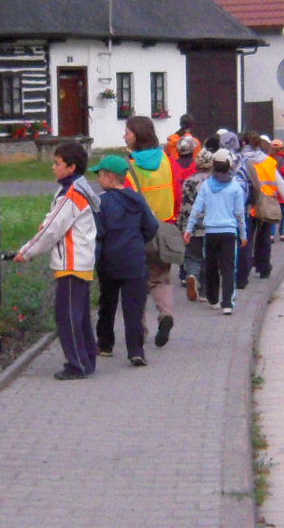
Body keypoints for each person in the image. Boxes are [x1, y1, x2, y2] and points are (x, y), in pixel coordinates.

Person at [13, 140, 99, 379]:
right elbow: (54, 222)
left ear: (71, 167)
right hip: (81, 260)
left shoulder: (71, 195)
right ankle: (87, 358)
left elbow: (52, 229)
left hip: (71, 262)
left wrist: (26, 252)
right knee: (80, 316)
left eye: (57, 163)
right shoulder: (78, 188)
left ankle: (77, 365)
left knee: (67, 317)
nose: (53, 167)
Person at [90, 154, 158, 366]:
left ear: (110, 178)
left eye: (100, 175)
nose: (98, 179)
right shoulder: (137, 199)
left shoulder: (101, 202)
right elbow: (152, 226)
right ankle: (136, 351)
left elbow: (97, 233)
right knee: (134, 308)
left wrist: (95, 259)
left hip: (109, 261)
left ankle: (105, 344)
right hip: (134, 260)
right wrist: (138, 241)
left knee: (107, 304)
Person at [123, 115, 181, 348]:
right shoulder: (168, 160)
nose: (124, 136)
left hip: (138, 232)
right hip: (165, 228)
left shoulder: (130, 167)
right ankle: (166, 314)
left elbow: (126, 200)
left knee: (136, 283)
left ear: (137, 136)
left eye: (127, 132)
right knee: (161, 278)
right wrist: (174, 217)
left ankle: (140, 331)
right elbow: (177, 191)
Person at [181, 147, 247, 314]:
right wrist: (243, 234)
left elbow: (196, 209)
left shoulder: (206, 186)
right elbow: (239, 214)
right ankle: (227, 303)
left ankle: (212, 298)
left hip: (210, 232)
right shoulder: (235, 187)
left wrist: (188, 229)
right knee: (228, 268)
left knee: (211, 266)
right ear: (230, 165)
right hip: (229, 232)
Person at [239, 135, 284, 287]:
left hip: (249, 206)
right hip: (267, 204)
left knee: (246, 239)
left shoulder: (241, 160)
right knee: (264, 238)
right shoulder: (268, 161)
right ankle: (264, 268)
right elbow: (279, 183)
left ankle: (243, 273)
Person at [176, 147, 213, 303]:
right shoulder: (215, 182)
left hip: (192, 225)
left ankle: (191, 275)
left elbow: (183, 204)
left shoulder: (189, 181)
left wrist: (181, 226)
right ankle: (204, 291)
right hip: (211, 225)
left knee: (192, 256)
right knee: (208, 257)